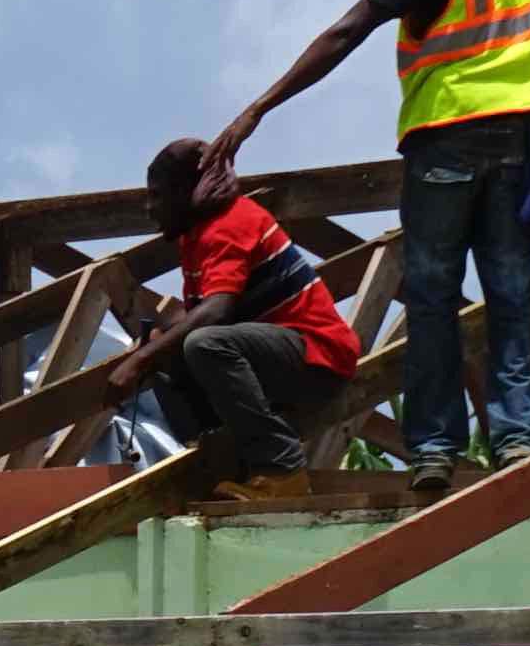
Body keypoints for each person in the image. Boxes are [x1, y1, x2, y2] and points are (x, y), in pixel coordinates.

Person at [210, 0, 530, 476]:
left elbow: (350, 29)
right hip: (522, 141)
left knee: (431, 299)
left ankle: (433, 447)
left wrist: (258, 109)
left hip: (446, 133)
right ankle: (518, 438)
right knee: (511, 295)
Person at [125, 140, 359, 493]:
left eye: (156, 196)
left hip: (317, 358)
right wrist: (154, 346)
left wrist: (139, 359)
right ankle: (225, 465)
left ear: (187, 192)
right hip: (274, 357)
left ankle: (284, 471)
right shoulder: (198, 232)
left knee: (203, 344)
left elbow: (216, 310)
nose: (149, 208)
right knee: (171, 352)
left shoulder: (228, 224)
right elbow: (200, 311)